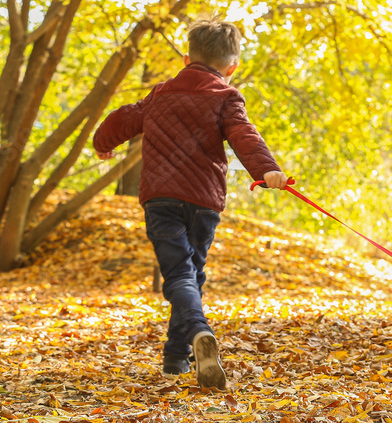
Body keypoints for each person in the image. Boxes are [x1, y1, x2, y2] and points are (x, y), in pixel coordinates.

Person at [93, 19, 287, 390]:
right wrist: (267, 171)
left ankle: (190, 341)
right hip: (202, 203)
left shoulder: (161, 93)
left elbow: (123, 119)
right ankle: (178, 354)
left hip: (161, 199)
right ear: (233, 68)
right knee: (190, 275)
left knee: (181, 276)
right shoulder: (226, 96)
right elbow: (244, 135)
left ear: (186, 59)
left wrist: (104, 143)